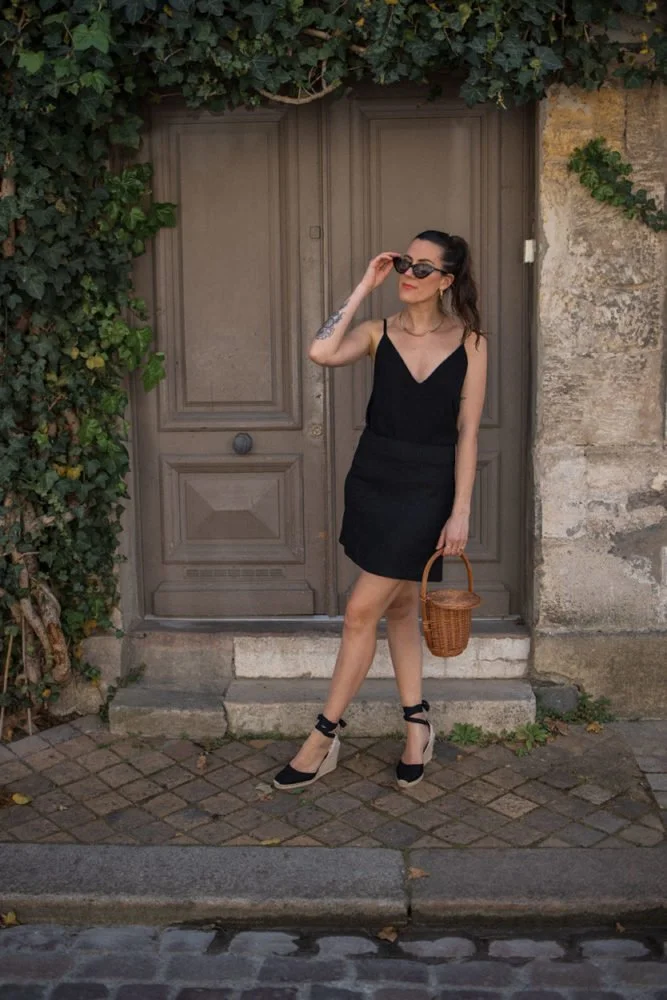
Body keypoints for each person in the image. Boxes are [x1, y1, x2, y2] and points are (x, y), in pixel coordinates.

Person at [273, 230, 488, 792]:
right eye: (404, 264)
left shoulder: (471, 342)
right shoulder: (377, 332)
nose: (408, 275)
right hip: (374, 481)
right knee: (399, 609)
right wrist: (364, 286)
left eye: (423, 268)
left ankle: (323, 736)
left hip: (429, 490)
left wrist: (460, 511)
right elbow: (321, 352)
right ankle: (417, 725)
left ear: (446, 280)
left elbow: (468, 433)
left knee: (358, 612)